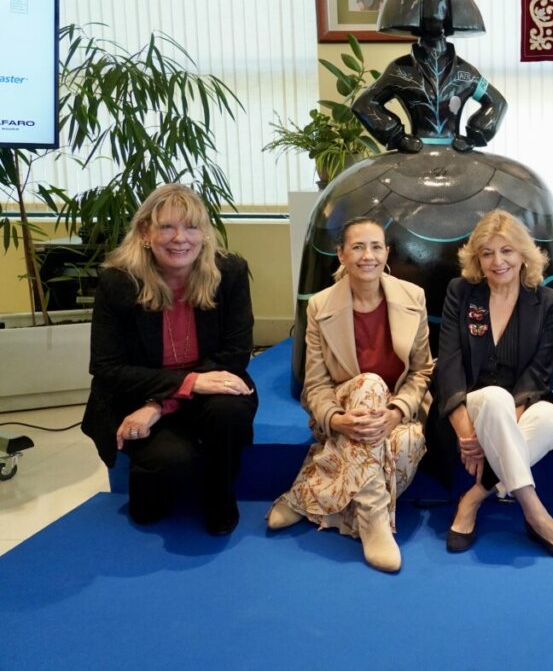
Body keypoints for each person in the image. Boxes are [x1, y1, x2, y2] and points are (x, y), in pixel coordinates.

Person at [82, 184, 256, 535]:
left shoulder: (229, 273)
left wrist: (162, 404)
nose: (181, 238)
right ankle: (147, 476)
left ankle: (221, 498)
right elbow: (107, 369)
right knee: (168, 473)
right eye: (167, 227)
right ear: (146, 232)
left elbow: (235, 353)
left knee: (231, 410)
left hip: (200, 390)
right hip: (136, 396)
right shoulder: (118, 282)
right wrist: (184, 385)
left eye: (191, 227)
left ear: (205, 234)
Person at [267, 217, 432, 573]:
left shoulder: (412, 297)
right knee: (369, 383)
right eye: (357, 247)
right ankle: (374, 521)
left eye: (376, 246)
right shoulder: (320, 305)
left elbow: (421, 371)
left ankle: (308, 494)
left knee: (402, 446)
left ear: (387, 252)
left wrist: (397, 412)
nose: (367, 255)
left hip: (392, 413)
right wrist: (337, 420)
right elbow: (315, 384)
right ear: (341, 255)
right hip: (346, 410)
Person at [431, 209, 553, 558]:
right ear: (477, 259)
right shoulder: (461, 292)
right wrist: (468, 434)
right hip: (469, 404)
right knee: (495, 396)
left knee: (550, 418)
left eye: (507, 251)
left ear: (523, 255)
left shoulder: (549, 303)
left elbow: (539, 372)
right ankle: (536, 513)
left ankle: (472, 499)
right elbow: (449, 362)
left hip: (515, 408)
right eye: (487, 253)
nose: (497, 261)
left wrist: (502, 433)